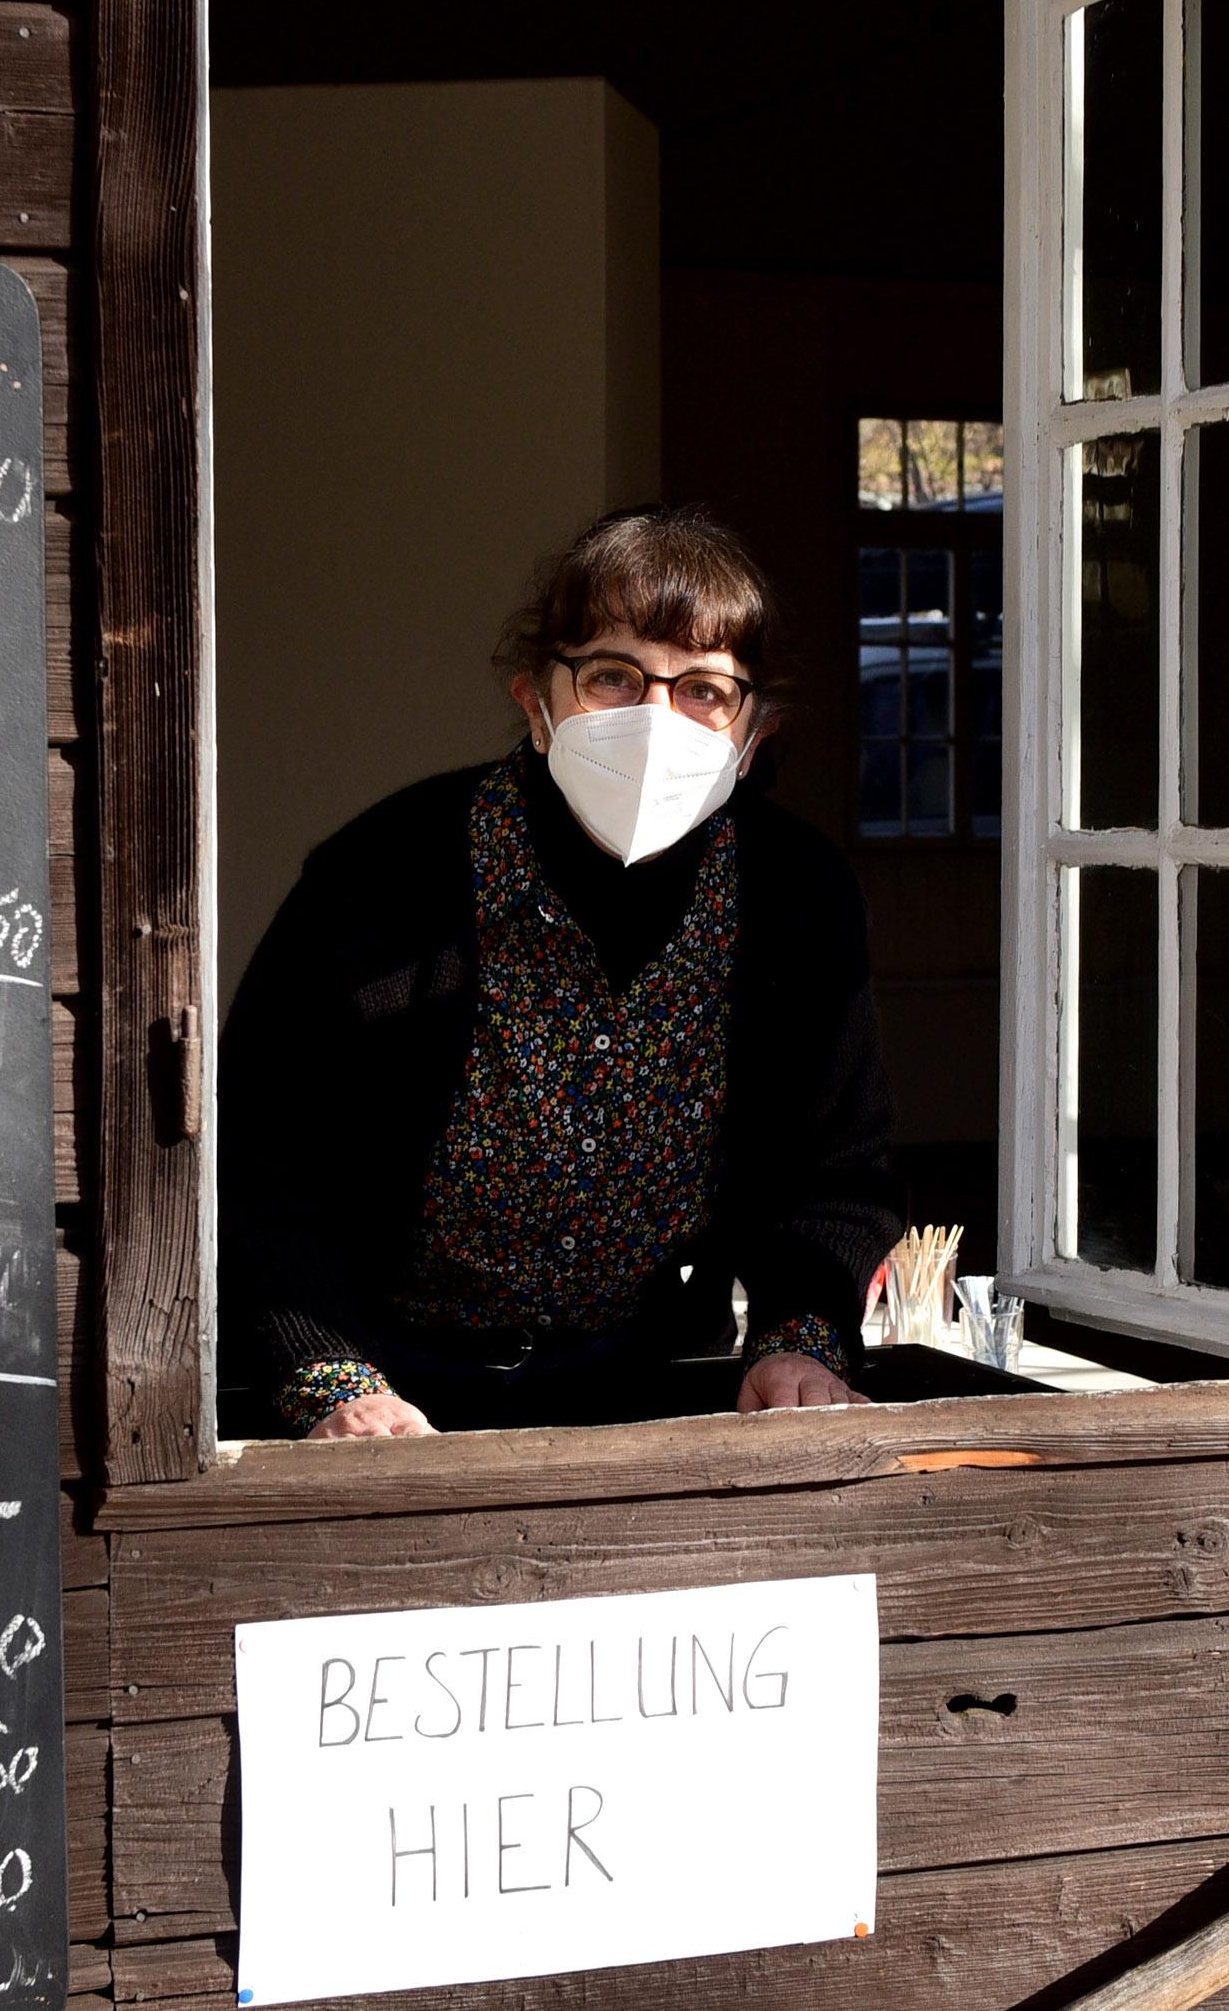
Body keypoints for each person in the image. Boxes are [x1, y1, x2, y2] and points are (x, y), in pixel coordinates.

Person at [219, 503, 903, 1439]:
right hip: (385, 1383)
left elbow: (834, 1173)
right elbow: (262, 1163)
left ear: (753, 732)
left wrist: (800, 1339)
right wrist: (330, 1379)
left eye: (704, 688)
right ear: (536, 703)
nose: (657, 719)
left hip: (654, 1379)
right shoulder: (378, 879)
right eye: (613, 676)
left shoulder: (798, 897)